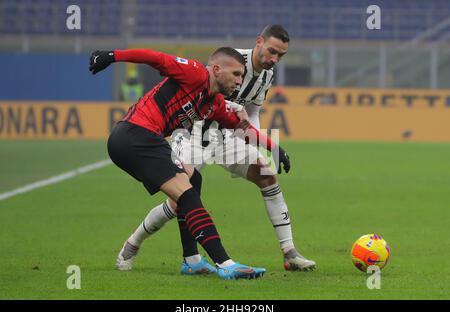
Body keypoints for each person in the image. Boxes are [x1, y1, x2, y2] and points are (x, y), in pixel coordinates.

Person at [116, 25, 316, 273]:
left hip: (228, 136)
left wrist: (257, 142)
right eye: (272, 51)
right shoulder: (231, 60)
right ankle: (134, 243)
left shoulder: (266, 76)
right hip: (194, 134)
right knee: (182, 197)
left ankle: (290, 253)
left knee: (266, 174)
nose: (274, 59)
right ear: (259, 42)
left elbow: (252, 111)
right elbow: (204, 89)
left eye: (281, 56)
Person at [89, 46, 291, 279]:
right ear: (216, 69)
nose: (239, 81)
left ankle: (191, 260)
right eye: (236, 74)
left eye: (242, 76)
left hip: (139, 140)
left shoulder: (212, 103)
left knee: (193, 179)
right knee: (187, 195)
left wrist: (274, 148)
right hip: (135, 134)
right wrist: (113, 56)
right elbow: (156, 58)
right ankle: (225, 263)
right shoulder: (195, 73)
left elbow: (241, 128)